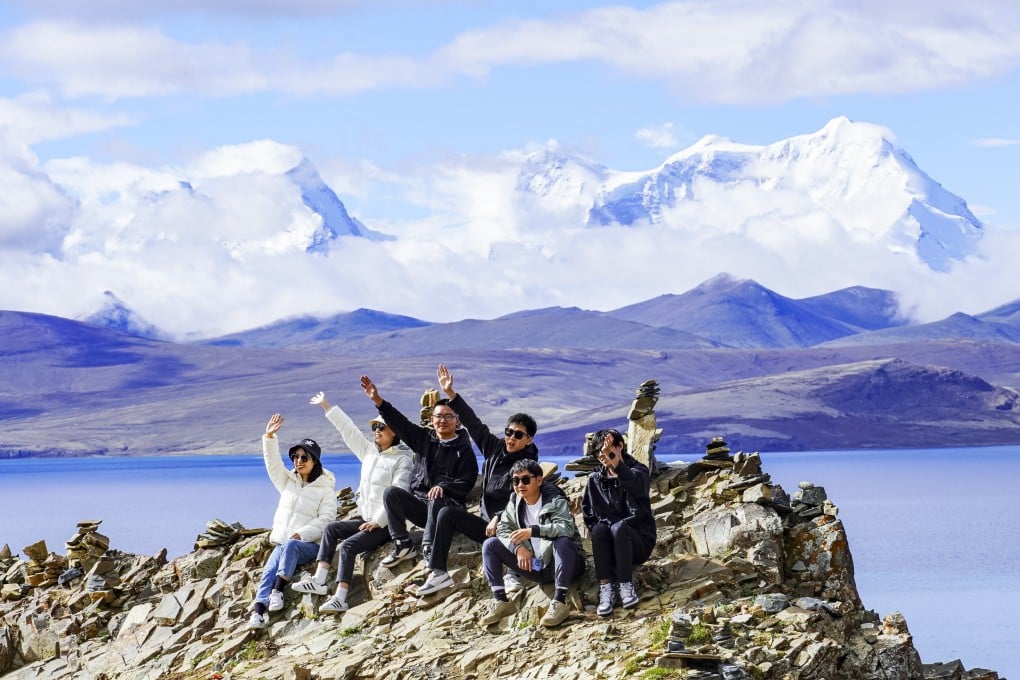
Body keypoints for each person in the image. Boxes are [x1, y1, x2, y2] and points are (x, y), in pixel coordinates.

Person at [416, 364, 539, 596]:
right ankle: (439, 572)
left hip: (510, 525)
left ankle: (512, 574)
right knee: (446, 513)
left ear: (529, 439)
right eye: (509, 432)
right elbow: (473, 423)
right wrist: (450, 393)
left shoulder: (529, 466)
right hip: (486, 526)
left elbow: (521, 501)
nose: (511, 438)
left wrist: (499, 517)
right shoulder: (494, 448)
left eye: (518, 435)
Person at [290, 391, 413, 613]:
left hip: (386, 525)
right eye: (374, 427)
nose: (376, 430)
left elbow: (399, 493)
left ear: (394, 431)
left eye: (381, 427)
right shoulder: (369, 452)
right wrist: (327, 406)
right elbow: (348, 430)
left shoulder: (403, 459)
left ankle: (340, 598)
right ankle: (319, 580)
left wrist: (377, 521)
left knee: (348, 546)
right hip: (365, 518)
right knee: (331, 529)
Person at [360, 374, 479, 567]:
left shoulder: (463, 449)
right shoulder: (423, 439)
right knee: (392, 493)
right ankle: (403, 544)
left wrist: (444, 487)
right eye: (439, 416)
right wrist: (378, 400)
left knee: (436, 495)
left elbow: (467, 481)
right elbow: (400, 423)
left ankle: (429, 547)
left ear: (457, 422)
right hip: (421, 508)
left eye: (448, 416)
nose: (443, 420)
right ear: (432, 420)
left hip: (446, 510)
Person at [247, 413, 336, 630]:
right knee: (268, 572)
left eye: (304, 458)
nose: (298, 461)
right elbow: (273, 465)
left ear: (314, 461)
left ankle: (278, 590)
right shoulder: (288, 481)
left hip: (309, 545)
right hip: (283, 543)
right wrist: (269, 437)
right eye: (295, 457)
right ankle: (258, 612)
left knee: (291, 545)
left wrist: (302, 533)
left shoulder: (326, 489)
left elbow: (327, 520)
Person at [478, 459, 586, 628]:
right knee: (490, 545)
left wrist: (533, 531)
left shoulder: (554, 499)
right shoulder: (515, 501)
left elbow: (565, 528)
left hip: (564, 563)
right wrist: (518, 549)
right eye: (515, 481)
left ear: (539, 480)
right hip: (537, 566)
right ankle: (501, 601)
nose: (520, 485)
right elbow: (503, 528)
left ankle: (559, 602)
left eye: (525, 480)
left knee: (563, 542)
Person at [581, 428, 656, 617]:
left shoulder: (638, 471)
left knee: (619, 527)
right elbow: (589, 514)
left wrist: (616, 463)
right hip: (610, 547)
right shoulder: (595, 480)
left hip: (637, 542)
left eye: (607, 451)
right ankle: (605, 587)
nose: (603, 456)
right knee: (599, 529)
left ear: (620, 446)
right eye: (599, 452)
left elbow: (637, 487)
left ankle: (626, 585)